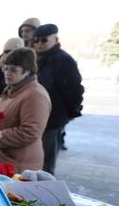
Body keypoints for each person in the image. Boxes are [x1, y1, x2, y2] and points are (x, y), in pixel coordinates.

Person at [0, 48, 51, 173]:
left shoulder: (35, 95)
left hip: (19, 164)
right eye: (6, 69)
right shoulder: (13, 89)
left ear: (27, 71)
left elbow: (30, 132)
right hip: (5, 159)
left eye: (13, 70)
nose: (7, 73)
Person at [34, 24, 84, 175]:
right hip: (36, 117)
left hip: (53, 118)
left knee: (46, 164)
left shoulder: (63, 59)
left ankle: (45, 194)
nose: (39, 44)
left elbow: (74, 89)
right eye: (36, 41)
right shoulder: (36, 58)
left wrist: (74, 111)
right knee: (35, 160)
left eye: (43, 40)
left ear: (55, 39)